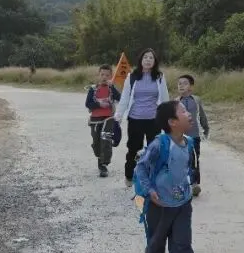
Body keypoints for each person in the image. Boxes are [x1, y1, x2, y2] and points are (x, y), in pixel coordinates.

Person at [132, 100, 203, 253]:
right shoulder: (159, 144)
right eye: (183, 111)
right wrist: (149, 191)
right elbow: (141, 169)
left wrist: (190, 184)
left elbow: (186, 169)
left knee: (182, 246)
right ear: (172, 122)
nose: (188, 113)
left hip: (182, 205)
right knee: (156, 243)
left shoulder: (189, 143)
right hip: (159, 206)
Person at [114, 48, 170, 184]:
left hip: (154, 120)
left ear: (155, 61)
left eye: (151, 58)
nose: (148, 60)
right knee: (134, 148)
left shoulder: (159, 77)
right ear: (141, 60)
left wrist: (168, 117)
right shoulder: (132, 76)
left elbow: (164, 98)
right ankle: (129, 176)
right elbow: (125, 98)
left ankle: (152, 177)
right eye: (145, 57)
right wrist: (118, 115)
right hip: (135, 119)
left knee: (155, 149)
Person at [85, 64, 122, 178]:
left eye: (107, 75)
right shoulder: (93, 89)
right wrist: (99, 104)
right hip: (95, 120)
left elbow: (120, 98)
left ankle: (103, 165)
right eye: (102, 75)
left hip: (108, 118)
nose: (104, 77)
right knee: (97, 142)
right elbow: (88, 104)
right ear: (99, 75)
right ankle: (99, 155)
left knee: (105, 140)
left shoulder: (111, 89)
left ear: (111, 76)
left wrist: (113, 87)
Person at [176, 74, 210, 196]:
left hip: (194, 135)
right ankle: (180, 185)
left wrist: (206, 128)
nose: (181, 85)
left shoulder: (196, 100)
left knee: (194, 160)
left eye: (185, 83)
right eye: (179, 83)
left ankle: (195, 184)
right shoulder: (175, 102)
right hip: (179, 137)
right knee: (180, 161)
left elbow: (202, 115)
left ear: (191, 87)